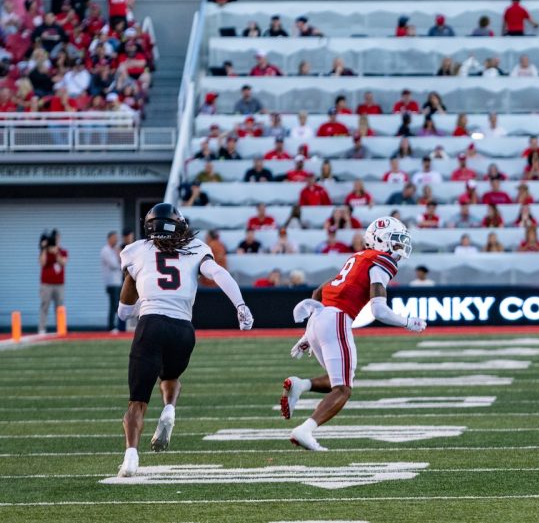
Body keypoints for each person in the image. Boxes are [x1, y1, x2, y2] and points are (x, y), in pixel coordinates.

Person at [115, 204, 254, 477]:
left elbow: (125, 305)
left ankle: (131, 456)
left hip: (151, 323)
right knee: (169, 378)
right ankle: (169, 409)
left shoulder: (136, 250)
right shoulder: (197, 248)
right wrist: (240, 305)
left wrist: (126, 300)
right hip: (183, 329)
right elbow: (219, 274)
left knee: (137, 402)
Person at [280, 217, 426, 451]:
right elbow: (378, 309)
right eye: (396, 241)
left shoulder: (357, 257)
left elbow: (318, 292)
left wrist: (309, 333)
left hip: (320, 317)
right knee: (344, 388)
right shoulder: (382, 261)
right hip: (336, 318)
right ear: (380, 241)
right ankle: (304, 430)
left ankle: (301, 385)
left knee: (339, 379)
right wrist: (408, 322)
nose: (399, 246)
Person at [37, 230, 68, 335]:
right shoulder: (44, 251)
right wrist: (44, 249)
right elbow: (42, 262)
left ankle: (60, 328)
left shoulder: (63, 251)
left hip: (59, 284)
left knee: (59, 307)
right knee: (44, 305)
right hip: (46, 284)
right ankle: (42, 328)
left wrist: (56, 252)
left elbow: (63, 262)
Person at [101, 231, 124, 333]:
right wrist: (118, 255)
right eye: (114, 238)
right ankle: (111, 326)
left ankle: (115, 326)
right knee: (114, 304)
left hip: (117, 282)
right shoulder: (106, 251)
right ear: (109, 238)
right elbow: (114, 264)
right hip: (111, 282)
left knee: (115, 304)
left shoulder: (114, 250)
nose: (116, 240)